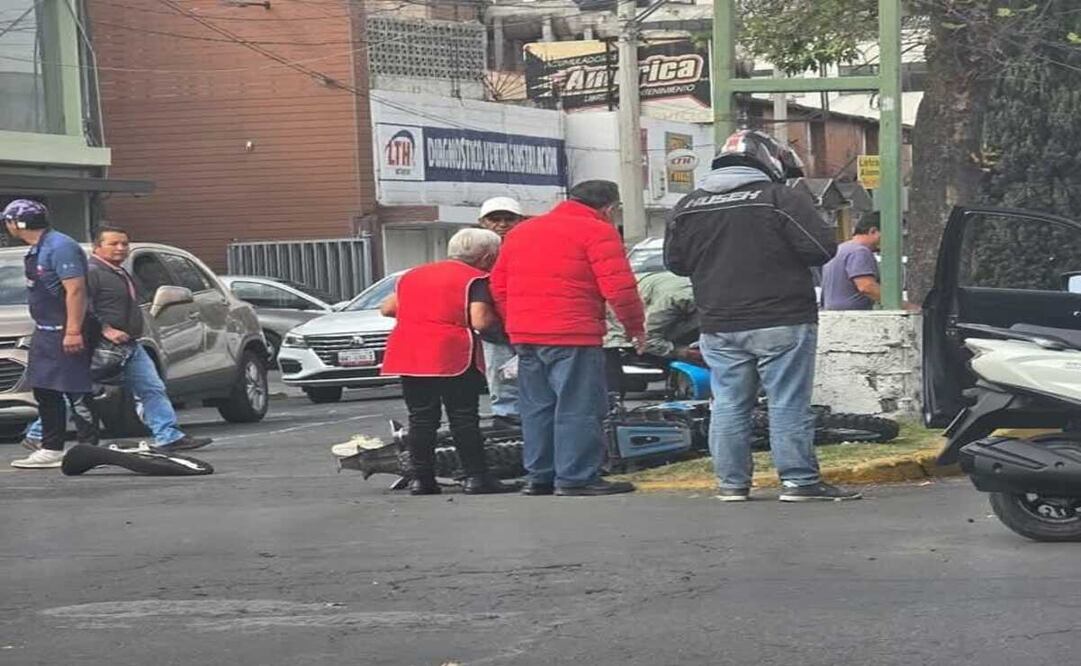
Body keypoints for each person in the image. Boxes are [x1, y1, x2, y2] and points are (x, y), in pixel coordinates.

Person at [665, 129, 861, 502]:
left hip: (719, 323)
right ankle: (799, 481)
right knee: (787, 401)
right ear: (769, 162)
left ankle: (732, 484)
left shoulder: (687, 205)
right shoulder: (779, 198)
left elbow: (675, 263)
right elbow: (821, 246)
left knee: (727, 404)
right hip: (781, 318)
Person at [490, 180, 645, 497]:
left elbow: (499, 286)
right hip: (573, 333)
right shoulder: (597, 231)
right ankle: (576, 477)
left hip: (526, 334)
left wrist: (515, 322)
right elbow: (619, 287)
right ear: (609, 208)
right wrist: (635, 327)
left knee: (536, 408)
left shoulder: (521, 232)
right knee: (578, 406)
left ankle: (539, 476)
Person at [22, 226, 211, 453]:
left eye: (124, 243)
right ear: (97, 247)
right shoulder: (91, 272)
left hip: (128, 344)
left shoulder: (118, 272)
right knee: (75, 391)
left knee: (152, 387)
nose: (121, 248)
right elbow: (80, 303)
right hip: (100, 345)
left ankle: (168, 435)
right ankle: (38, 433)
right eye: (113, 244)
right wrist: (105, 328)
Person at [379, 228, 516, 496]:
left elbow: (388, 308)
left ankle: (422, 480)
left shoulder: (414, 274)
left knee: (420, 418)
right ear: (487, 256)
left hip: (409, 350)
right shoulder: (476, 278)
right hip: (451, 352)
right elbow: (480, 319)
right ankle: (476, 477)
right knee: (463, 417)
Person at [5, 200, 97, 469]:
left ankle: (89, 449)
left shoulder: (60, 246)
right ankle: (52, 447)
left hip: (65, 329)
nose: (7, 225)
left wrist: (72, 330)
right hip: (44, 329)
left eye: (8, 220)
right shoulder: (39, 248)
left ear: (17, 223)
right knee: (46, 391)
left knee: (75, 389)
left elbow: (75, 290)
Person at [604, 269, 699, 396]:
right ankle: (612, 399)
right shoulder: (675, 300)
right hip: (620, 307)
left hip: (656, 293)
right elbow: (647, 338)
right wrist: (682, 351)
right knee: (611, 349)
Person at [476, 197, 527, 428]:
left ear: (520, 221)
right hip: (493, 326)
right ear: (482, 222)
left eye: (509, 219)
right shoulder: (474, 251)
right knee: (499, 376)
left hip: (527, 323)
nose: (502, 224)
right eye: (495, 219)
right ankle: (505, 418)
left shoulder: (529, 247)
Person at [821, 213, 882, 310]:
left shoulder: (841, 249)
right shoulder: (860, 251)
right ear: (873, 231)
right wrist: (901, 304)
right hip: (852, 317)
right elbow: (866, 287)